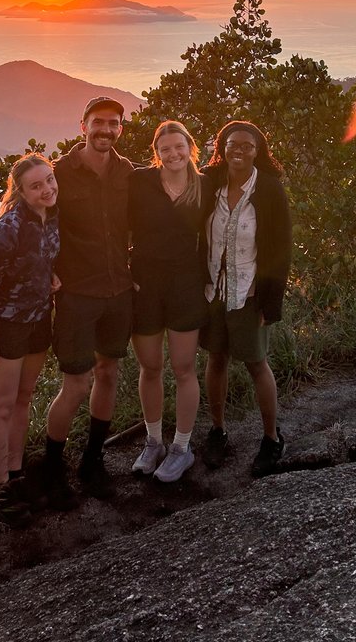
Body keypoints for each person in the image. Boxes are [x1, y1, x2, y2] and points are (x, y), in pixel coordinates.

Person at [0, 96, 134, 504]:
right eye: (98, 122)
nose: (105, 130)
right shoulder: (61, 173)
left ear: (121, 128)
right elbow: (24, 211)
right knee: (76, 382)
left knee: (109, 374)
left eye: (113, 124)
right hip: (76, 296)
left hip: (119, 291)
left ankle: (93, 459)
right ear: (82, 125)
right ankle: (52, 463)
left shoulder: (127, 173)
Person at [200, 120, 292, 478]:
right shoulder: (212, 186)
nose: (238, 150)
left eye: (247, 146)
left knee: (256, 364)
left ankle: (271, 438)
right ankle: (218, 431)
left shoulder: (268, 189)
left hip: (249, 294)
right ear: (221, 147)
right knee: (216, 360)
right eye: (231, 144)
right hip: (213, 293)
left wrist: (271, 303)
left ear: (258, 151)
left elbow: (280, 249)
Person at [0, 153, 61, 526]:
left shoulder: (53, 215)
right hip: (7, 326)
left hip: (40, 321)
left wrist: (50, 278)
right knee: (2, 406)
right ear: (21, 192)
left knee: (24, 400)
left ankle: (17, 473)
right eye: (36, 185)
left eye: (49, 180)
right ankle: (0, 490)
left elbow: (45, 259)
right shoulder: (8, 228)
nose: (46, 189)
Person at [128, 121, 210, 483]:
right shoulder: (141, 182)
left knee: (183, 368)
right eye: (165, 149)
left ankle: (181, 447)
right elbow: (111, 223)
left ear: (190, 148)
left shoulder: (205, 186)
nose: (173, 154)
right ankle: (153, 441)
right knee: (150, 367)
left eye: (179, 147)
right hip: (144, 285)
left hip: (185, 285)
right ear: (156, 154)